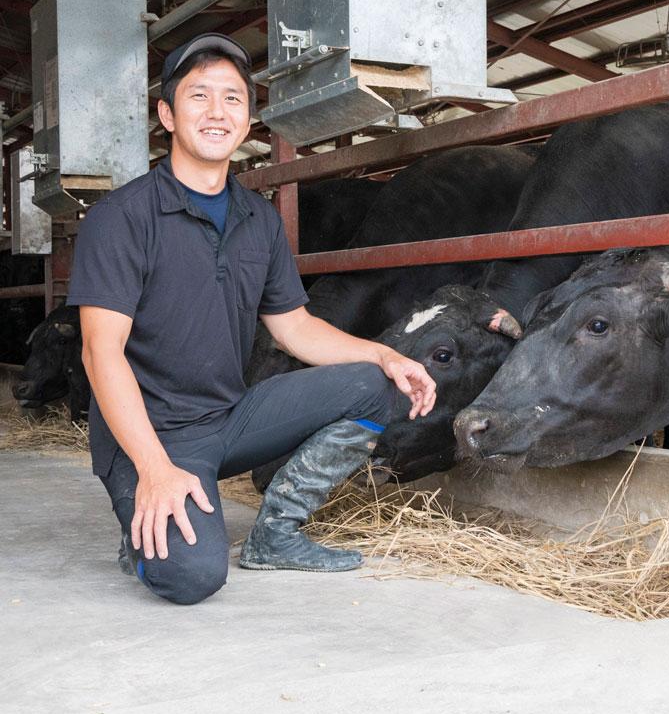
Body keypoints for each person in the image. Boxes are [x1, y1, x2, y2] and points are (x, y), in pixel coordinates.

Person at [66, 33, 436, 605]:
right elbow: (100, 352)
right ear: (167, 115)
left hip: (229, 418)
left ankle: (277, 532)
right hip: (149, 435)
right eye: (199, 96)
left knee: (374, 384)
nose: (217, 111)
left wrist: (386, 355)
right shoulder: (121, 218)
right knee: (191, 577)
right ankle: (142, 528)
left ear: (247, 121)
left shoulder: (257, 219)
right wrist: (155, 468)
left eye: (232, 98)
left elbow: (295, 328)